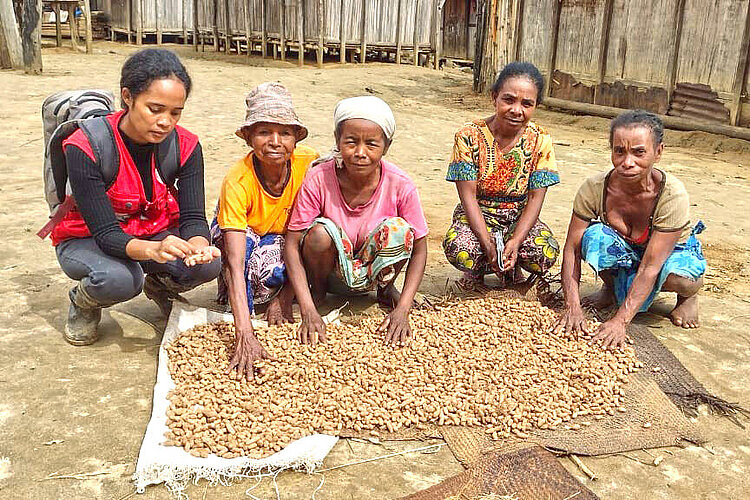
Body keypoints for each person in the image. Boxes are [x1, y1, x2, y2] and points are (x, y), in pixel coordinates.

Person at [51, 49, 221, 346]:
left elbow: (193, 217)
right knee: (121, 279)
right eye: (155, 109)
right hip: (88, 238)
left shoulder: (187, 145)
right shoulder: (85, 147)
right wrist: (154, 251)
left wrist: (198, 246)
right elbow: (106, 234)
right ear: (128, 97)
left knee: (207, 265)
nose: (166, 122)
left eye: (175, 112)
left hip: (150, 230)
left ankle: (159, 283)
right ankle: (84, 301)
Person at [284, 96, 429, 347]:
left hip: (375, 273)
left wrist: (404, 308)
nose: (360, 153)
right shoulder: (319, 178)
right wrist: (306, 308)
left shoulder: (399, 184)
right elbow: (292, 243)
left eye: (371, 144)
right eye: (351, 142)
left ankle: (386, 290)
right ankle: (318, 292)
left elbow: (420, 246)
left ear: (386, 146)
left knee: (399, 230)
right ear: (338, 140)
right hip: (330, 273)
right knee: (319, 234)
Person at [554, 110, 706, 348]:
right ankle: (612, 288)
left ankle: (688, 297)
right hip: (627, 248)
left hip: (667, 254)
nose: (627, 162)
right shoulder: (594, 188)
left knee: (679, 277)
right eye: (619, 151)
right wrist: (572, 307)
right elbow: (571, 250)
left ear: (658, 152)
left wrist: (620, 322)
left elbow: (650, 265)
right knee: (592, 238)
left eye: (639, 152)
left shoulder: (672, 195)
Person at [210, 82, 318, 380]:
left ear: (296, 138)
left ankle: (281, 290)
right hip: (244, 236)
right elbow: (234, 258)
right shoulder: (238, 180)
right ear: (248, 137)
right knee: (247, 266)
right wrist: (244, 334)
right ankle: (239, 301)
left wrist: (286, 296)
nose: (274, 141)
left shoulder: (309, 162)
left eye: (284, 132)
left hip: (285, 238)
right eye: (263, 132)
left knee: (316, 235)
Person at [443, 61, 560, 289]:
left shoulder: (541, 139)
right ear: (494, 97)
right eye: (509, 99)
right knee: (460, 248)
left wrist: (515, 240)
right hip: (478, 214)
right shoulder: (468, 137)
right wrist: (487, 244)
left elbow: (536, 198)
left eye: (527, 104)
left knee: (545, 251)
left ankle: (511, 265)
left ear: (536, 106)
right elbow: (468, 197)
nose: (517, 110)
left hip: (518, 215)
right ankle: (476, 269)